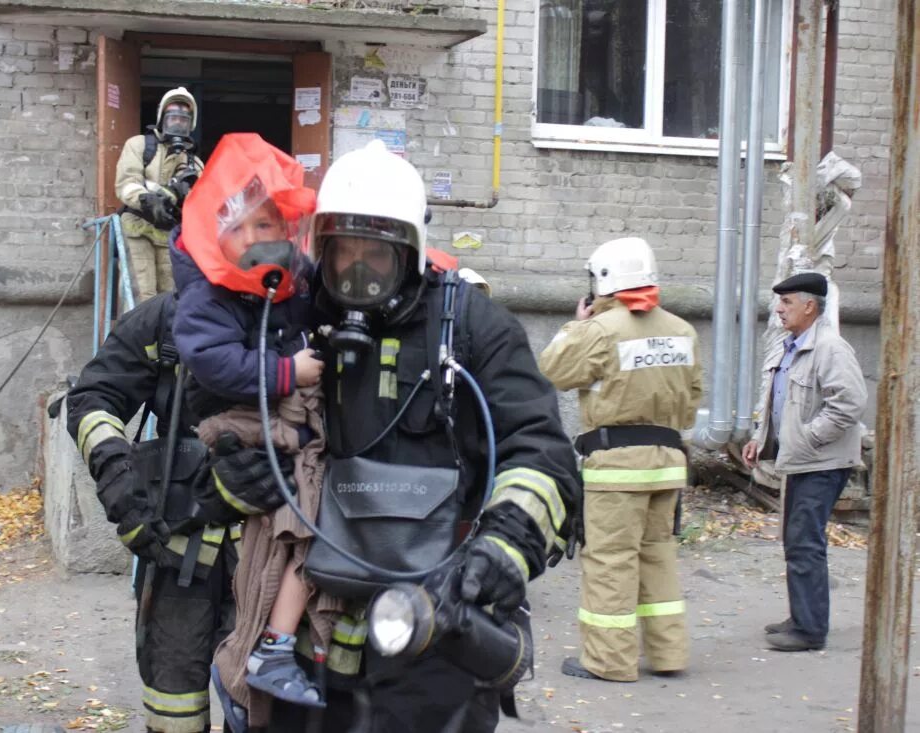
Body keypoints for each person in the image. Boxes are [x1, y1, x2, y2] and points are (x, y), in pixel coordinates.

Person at [194, 139, 583, 732]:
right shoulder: (297, 323)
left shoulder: (474, 330)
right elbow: (238, 426)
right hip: (313, 633)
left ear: (412, 252)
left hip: (437, 619)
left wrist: (500, 550)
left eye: (375, 255)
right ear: (317, 247)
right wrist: (235, 477)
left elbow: (542, 453)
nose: (356, 272)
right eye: (341, 251)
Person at [169, 133, 335, 726]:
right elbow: (214, 361)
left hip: (276, 415)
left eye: (276, 225)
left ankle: (263, 667)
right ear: (225, 232)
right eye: (257, 226)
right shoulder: (206, 296)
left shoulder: (285, 283)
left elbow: (325, 295)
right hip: (238, 423)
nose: (272, 238)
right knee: (308, 512)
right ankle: (267, 652)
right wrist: (288, 372)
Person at [66, 290, 239, 733]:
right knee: (173, 699)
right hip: (177, 538)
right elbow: (93, 398)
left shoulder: (299, 313)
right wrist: (118, 478)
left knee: (267, 695)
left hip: (272, 546)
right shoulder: (165, 320)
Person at [538, 237, 702, 683]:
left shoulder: (599, 331)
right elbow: (691, 402)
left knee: (611, 561)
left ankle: (609, 661)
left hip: (616, 466)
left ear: (604, 281)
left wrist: (577, 326)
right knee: (657, 555)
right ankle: (669, 653)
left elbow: (551, 369)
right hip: (668, 461)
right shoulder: (683, 330)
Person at [741, 271, 867, 652]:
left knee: (804, 541)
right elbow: (780, 400)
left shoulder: (831, 348)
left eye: (787, 302)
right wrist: (759, 439)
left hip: (822, 462)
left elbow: (849, 403)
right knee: (796, 539)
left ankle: (810, 630)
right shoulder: (790, 345)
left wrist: (809, 437)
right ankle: (801, 616)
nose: (779, 309)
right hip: (802, 460)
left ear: (810, 306)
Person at [116, 86, 205, 302]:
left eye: (183, 119)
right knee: (141, 295)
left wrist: (187, 193)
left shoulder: (193, 163)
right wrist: (148, 199)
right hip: (139, 228)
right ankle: (136, 336)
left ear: (190, 124)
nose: (177, 123)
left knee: (170, 298)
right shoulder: (139, 146)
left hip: (170, 235)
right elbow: (126, 183)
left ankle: (163, 337)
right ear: (161, 117)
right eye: (172, 116)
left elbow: (202, 202)